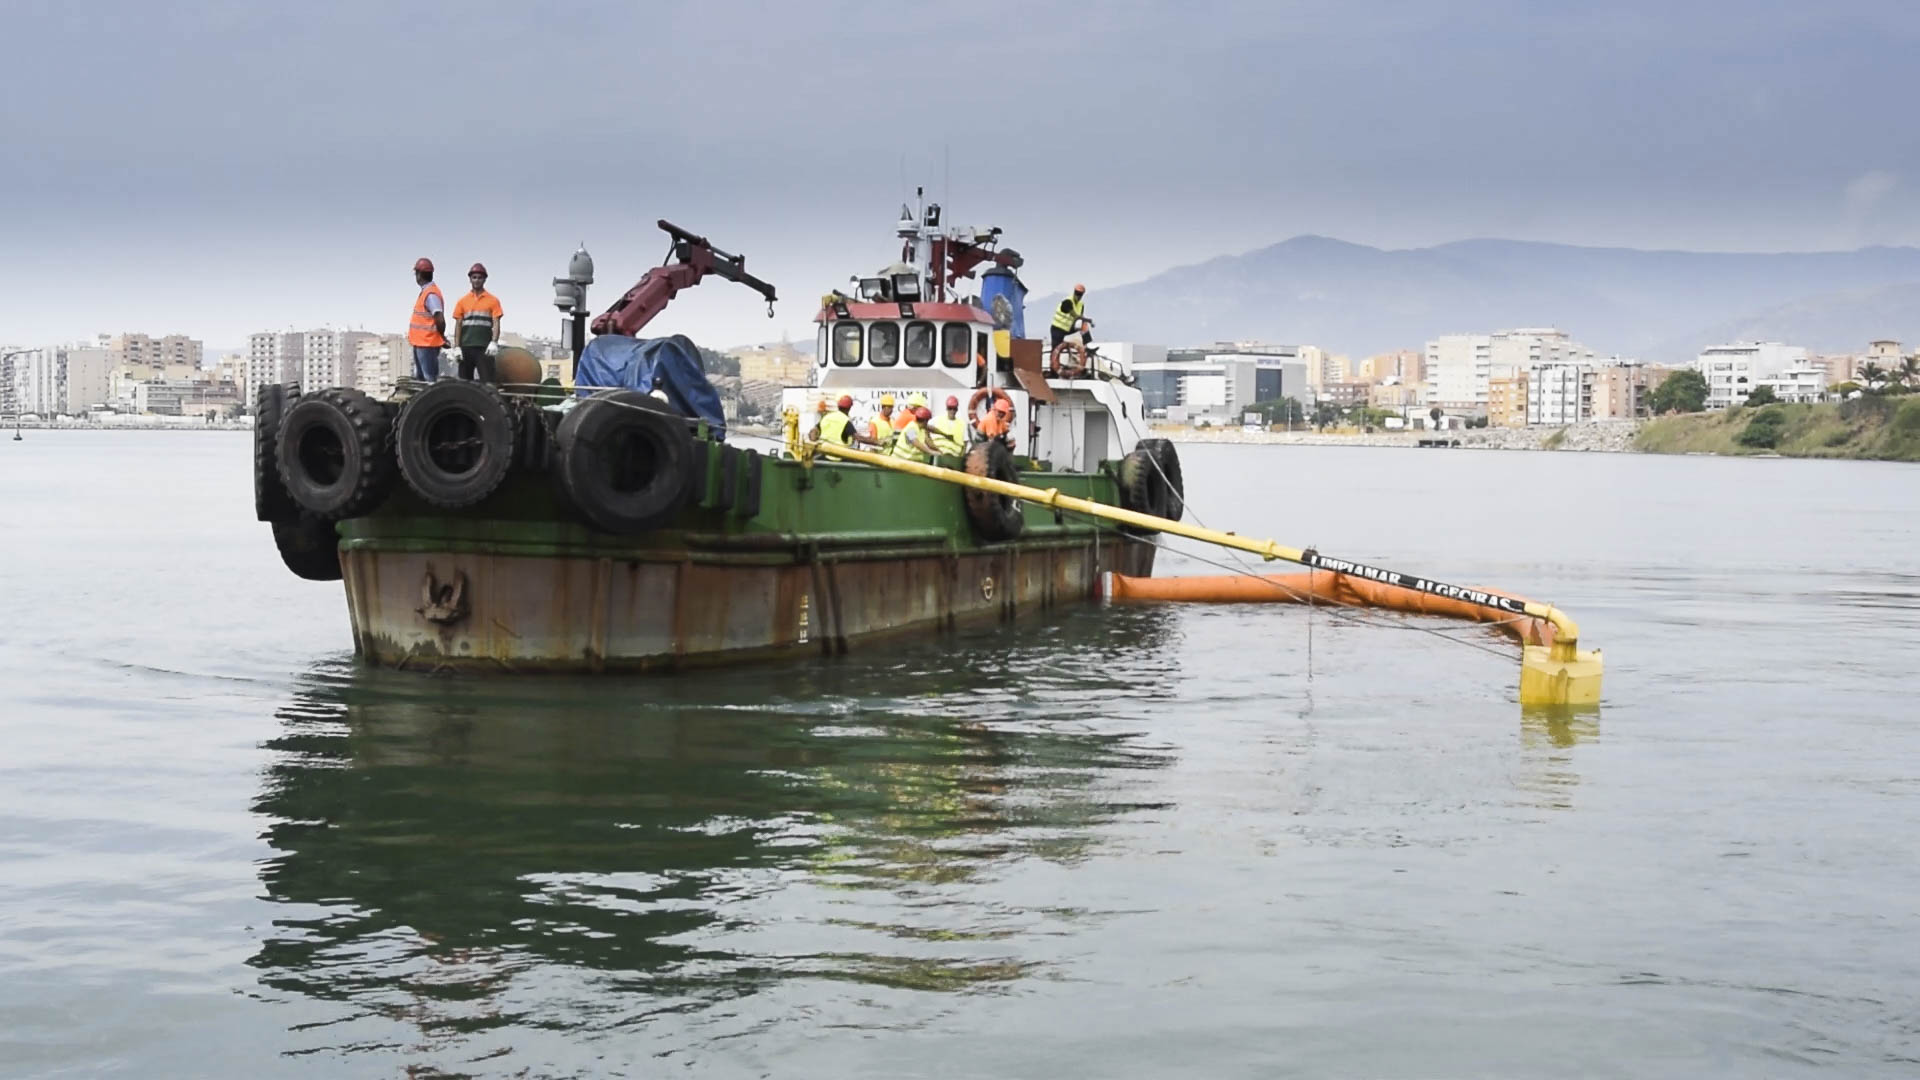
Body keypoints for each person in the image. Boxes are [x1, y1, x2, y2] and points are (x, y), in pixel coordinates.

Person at [451, 263, 505, 383]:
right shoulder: (462, 301)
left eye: (480, 277)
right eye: (474, 277)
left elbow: (496, 322)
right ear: (470, 279)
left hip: (484, 348)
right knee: (464, 384)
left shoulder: (493, 301)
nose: (477, 280)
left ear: (484, 279)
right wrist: (457, 346)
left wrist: (494, 342)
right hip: (466, 347)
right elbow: (458, 325)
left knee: (488, 382)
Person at [408, 257, 447, 380]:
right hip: (421, 343)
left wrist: (441, 336)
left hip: (427, 344)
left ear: (419, 275)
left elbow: (439, 318)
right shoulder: (427, 292)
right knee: (421, 379)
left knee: (429, 379)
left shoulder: (430, 294)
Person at [1049, 283, 1091, 374]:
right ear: (1074, 292)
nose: (1078, 296)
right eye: (1076, 293)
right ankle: (1053, 370)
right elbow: (1074, 315)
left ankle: (1087, 346)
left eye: (1080, 294)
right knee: (1056, 348)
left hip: (1068, 328)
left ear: (1082, 295)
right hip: (1057, 328)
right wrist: (1086, 319)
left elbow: (1080, 317)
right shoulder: (1067, 302)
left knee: (1084, 324)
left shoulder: (1081, 305)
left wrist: (1084, 321)